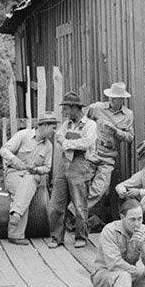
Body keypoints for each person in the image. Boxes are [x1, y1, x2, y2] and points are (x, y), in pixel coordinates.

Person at [47, 92, 97, 249]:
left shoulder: (90, 125)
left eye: (68, 109)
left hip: (81, 165)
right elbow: (58, 136)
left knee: (80, 205)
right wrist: (70, 141)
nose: (66, 112)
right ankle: (56, 237)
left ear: (76, 108)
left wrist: (67, 143)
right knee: (56, 204)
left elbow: (87, 143)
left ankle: (81, 236)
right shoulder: (66, 124)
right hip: (64, 165)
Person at [0, 114, 57, 244]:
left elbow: (47, 168)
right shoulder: (23, 135)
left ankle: (16, 216)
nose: (54, 131)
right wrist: (14, 159)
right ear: (45, 126)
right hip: (14, 173)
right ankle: (16, 231)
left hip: (32, 176)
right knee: (24, 193)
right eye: (53, 128)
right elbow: (4, 150)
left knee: (28, 183)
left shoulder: (49, 146)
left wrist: (35, 169)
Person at [85, 81, 134, 215]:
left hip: (109, 156)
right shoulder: (96, 108)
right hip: (92, 152)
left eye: (116, 97)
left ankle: (74, 211)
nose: (112, 99)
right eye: (111, 96)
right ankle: (75, 217)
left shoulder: (128, 114)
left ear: (122, 99)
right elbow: (82, 120)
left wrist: (116, 130)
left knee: (100, 189)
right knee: (82, 185)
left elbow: (130, 137)